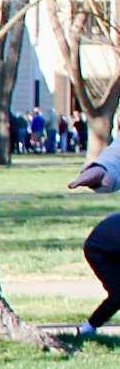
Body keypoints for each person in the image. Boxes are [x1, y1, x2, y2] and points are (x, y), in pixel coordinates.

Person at [71, 141, 120, 330]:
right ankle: (87, 329)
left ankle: (87, 329)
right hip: (104, 246)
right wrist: (101, 171)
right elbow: (114, 161)